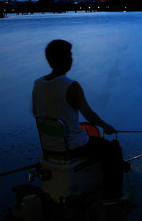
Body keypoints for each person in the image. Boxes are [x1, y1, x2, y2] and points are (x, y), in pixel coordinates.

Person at [32, 39, 127, 202]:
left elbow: (36, 113)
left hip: (48, 146)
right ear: (66, 60)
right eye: (69, 55)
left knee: (98, 144)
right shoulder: (71, 86)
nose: (71, 59)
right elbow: (89, 114)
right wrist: (106, 126)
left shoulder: (37, 84)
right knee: (113, 150)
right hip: (74, 146)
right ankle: (113, 197)